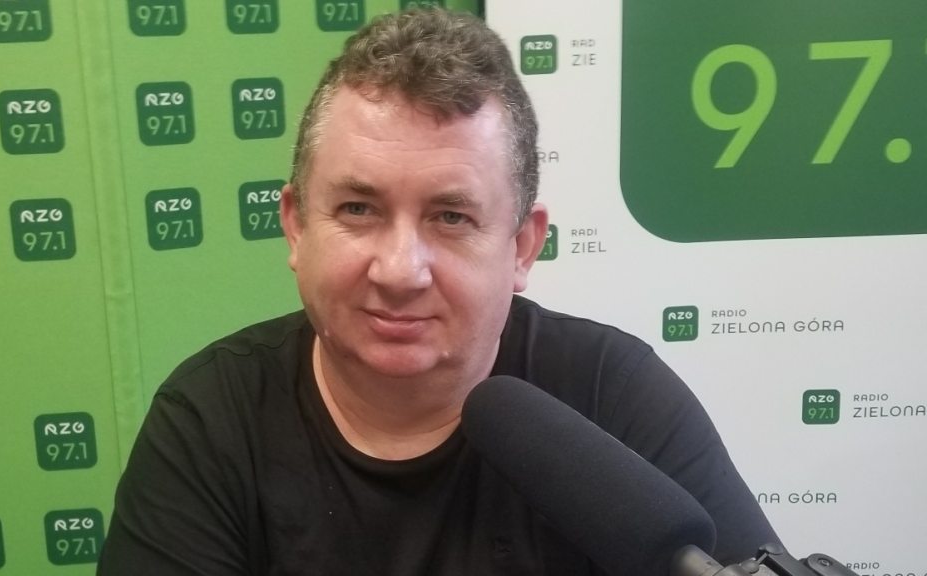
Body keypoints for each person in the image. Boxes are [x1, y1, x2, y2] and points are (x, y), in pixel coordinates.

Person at [98, 7, 778, 575]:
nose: (400, 271)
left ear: (522, 247)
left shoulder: (615, 395)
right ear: (297, 226)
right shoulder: (211, 421)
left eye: (451, 217)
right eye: (358, 209)